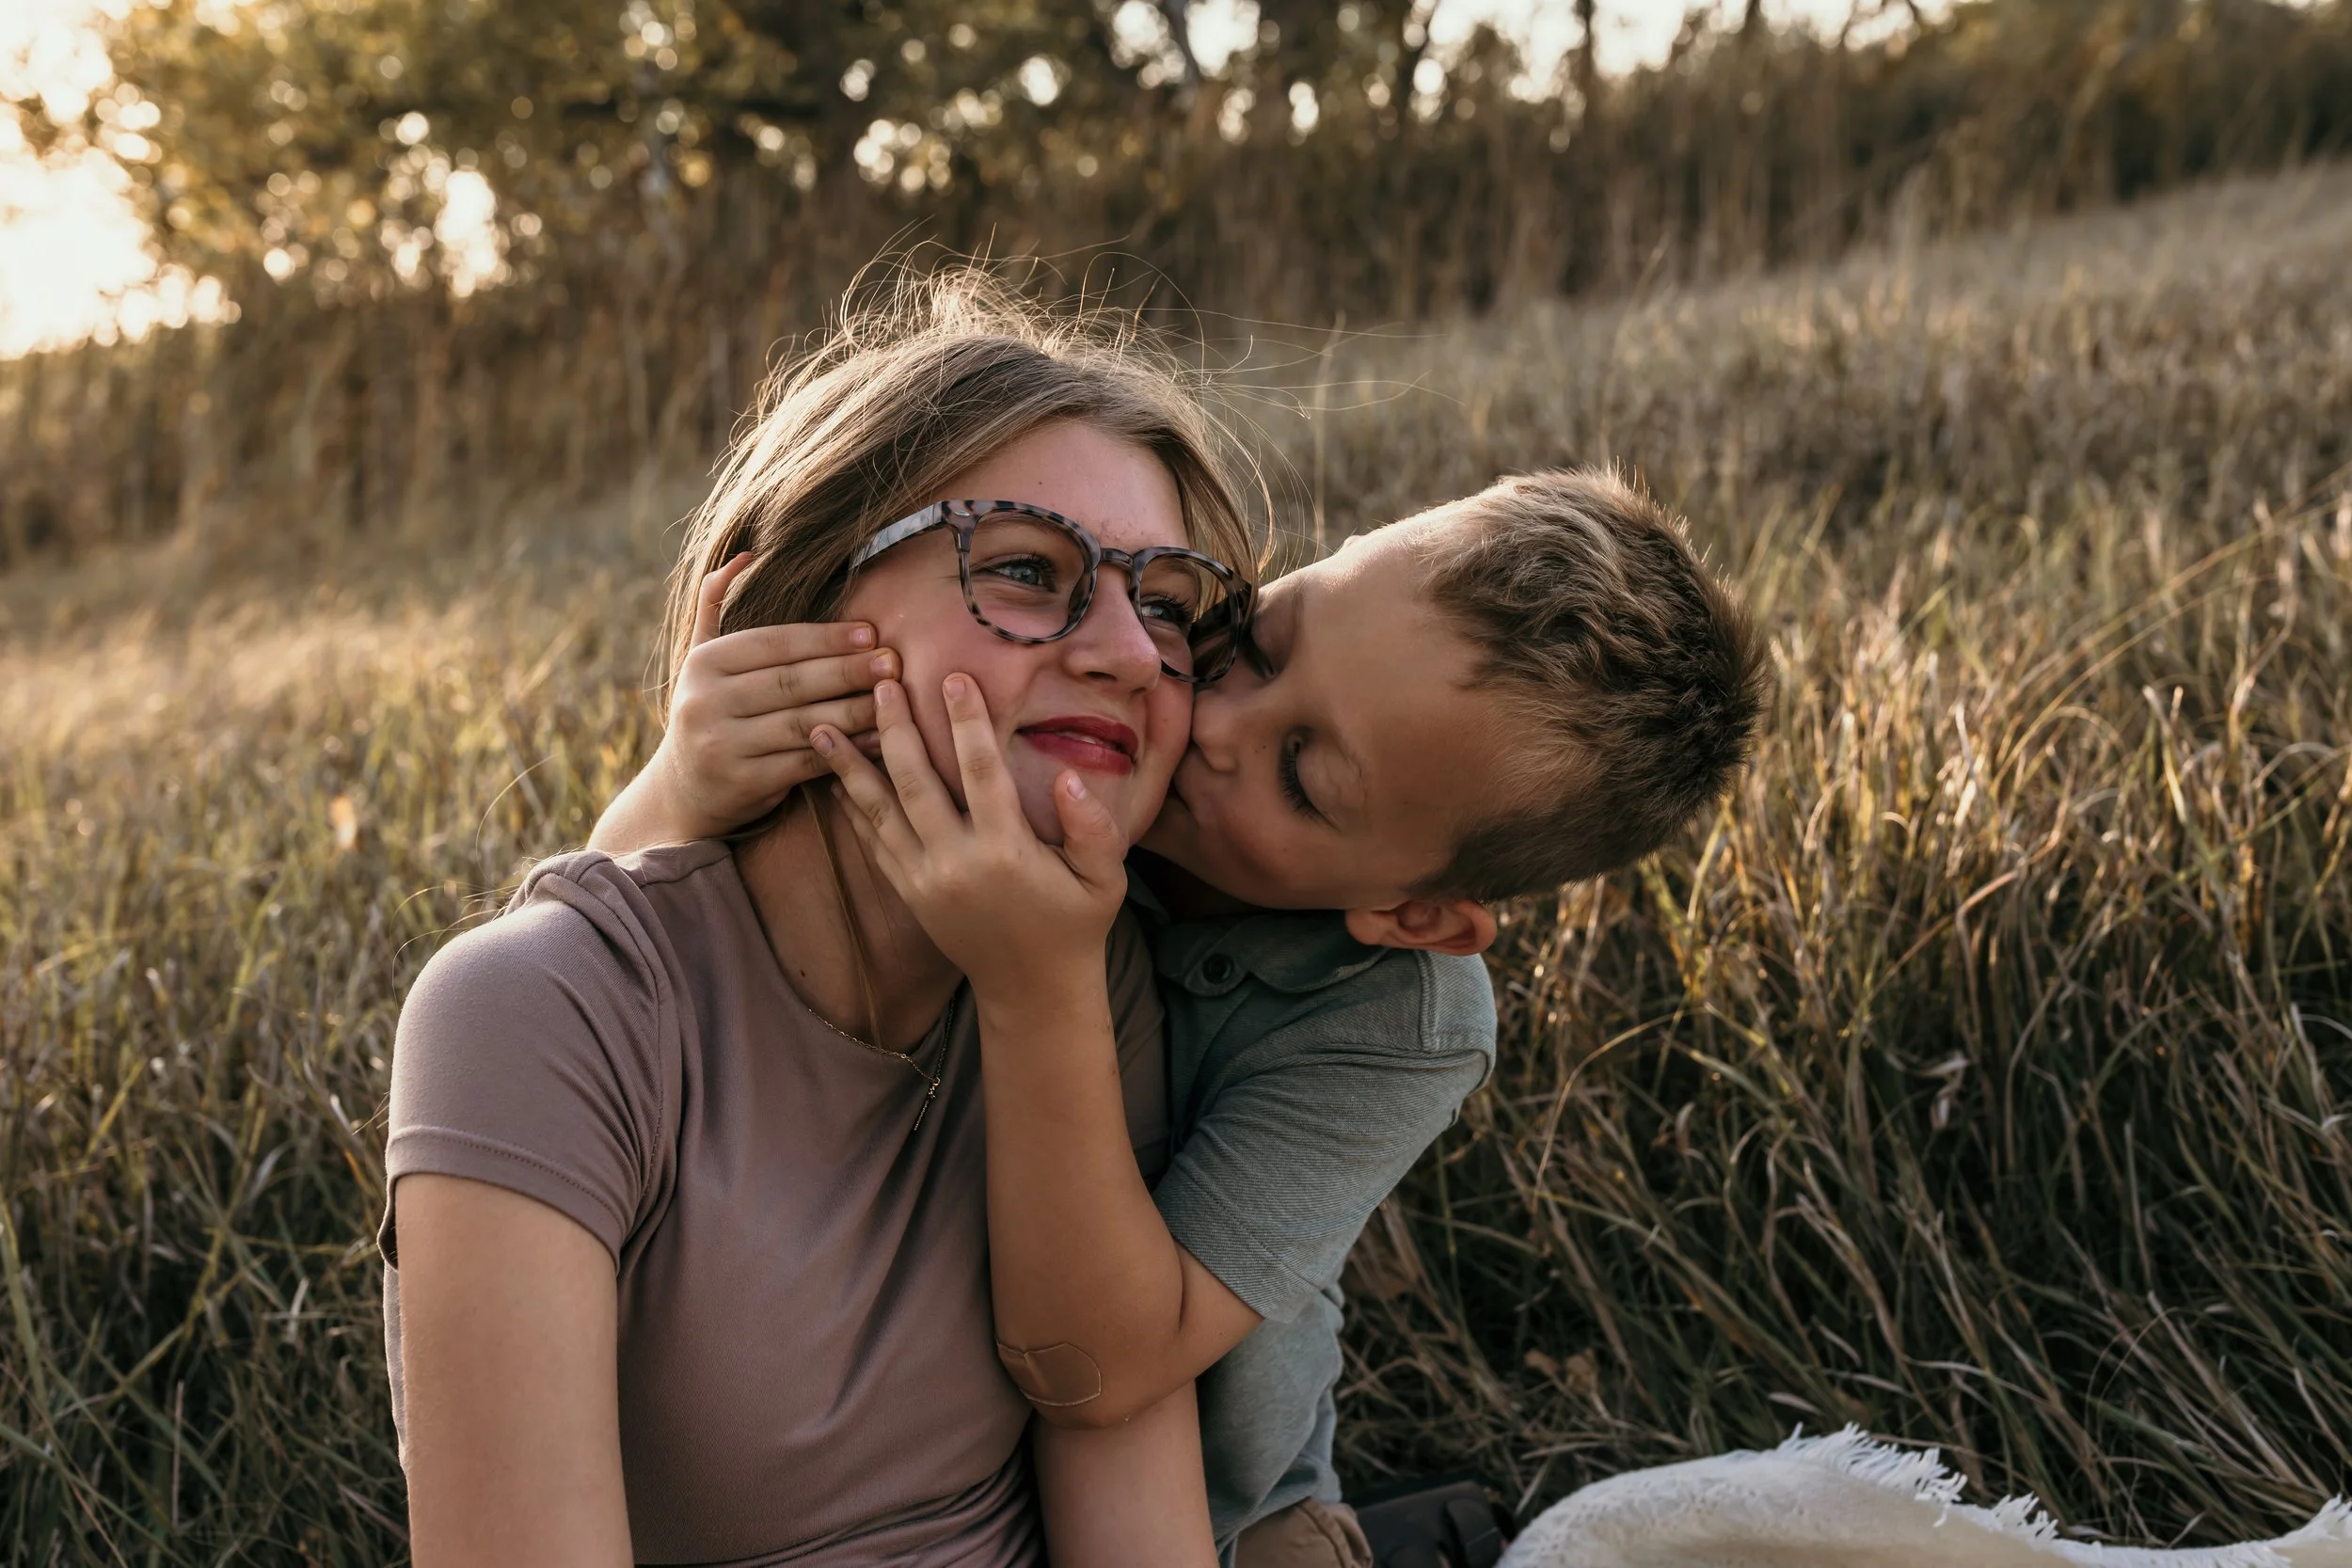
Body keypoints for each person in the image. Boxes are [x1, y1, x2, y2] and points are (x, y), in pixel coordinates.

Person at [595, 467, 1770, 1566]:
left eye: (1302, 773)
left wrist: (1040, 983)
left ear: (1413, 913)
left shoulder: (1397, 1024)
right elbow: (603, 1000)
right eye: (1256, 643)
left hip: (1218, 1510)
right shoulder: (1068, 750)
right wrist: (681, 784)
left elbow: (1106, 1363)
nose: (1210, 723)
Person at [380, 276, 1263, 1567]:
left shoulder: (1083, 967)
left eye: (1170, 603)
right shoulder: (539, 1009)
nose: (1132, 652)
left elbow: (1131, 1509)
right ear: (766, 622)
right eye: (1026, 567)